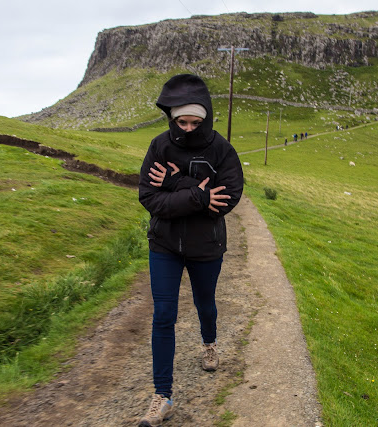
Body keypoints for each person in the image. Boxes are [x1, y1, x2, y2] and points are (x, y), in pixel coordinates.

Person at [138, 74, 244, 427]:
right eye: (180, 121)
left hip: (206, 246)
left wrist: (174, 184)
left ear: (207, 118)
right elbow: (150, 199)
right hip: (164, 245)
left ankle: (209, 342)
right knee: (163, 315)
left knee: (205, 304)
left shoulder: (221, 150)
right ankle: (162, 396)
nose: (187, 128)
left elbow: (225, 199)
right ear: (171, 118)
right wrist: (197, 193)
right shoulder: (158, 146)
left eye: (195, 122)